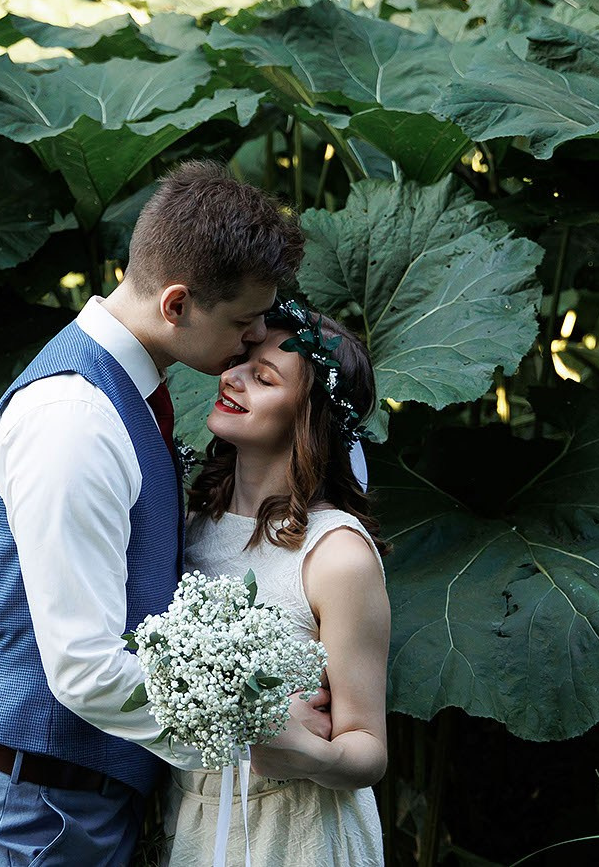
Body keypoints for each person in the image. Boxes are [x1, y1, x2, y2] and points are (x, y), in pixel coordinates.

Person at [0, 160, 312, 866]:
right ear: (176, 304)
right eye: (242, 320)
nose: (255, 337)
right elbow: (83, 667)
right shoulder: (74, 420)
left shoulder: (130, 391)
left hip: (67, 798)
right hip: (30, 815)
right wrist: (252, 721)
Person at [162, 299, 390, 867]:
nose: (232, 378)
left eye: (263, 377)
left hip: (299, 832)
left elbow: (368, 748)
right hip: (189, 820)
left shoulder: (336, 555)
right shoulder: (187, 525)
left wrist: (307, 752)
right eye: (240, 361)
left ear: (306, 419)